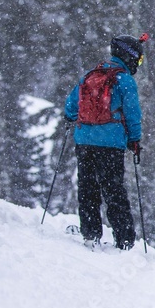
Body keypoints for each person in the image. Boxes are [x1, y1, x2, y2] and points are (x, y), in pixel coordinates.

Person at [64, 34, 147, 250]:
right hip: (110, 145)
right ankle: (124, 239)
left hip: (84, 142)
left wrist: (71, 119)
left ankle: (91, 234)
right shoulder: (125, 81)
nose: (137, 65)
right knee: (114, 191)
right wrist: (134, 140)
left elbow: (71, 106)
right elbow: (132, 115)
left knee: (87, 188)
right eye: (138, 60)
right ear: (129, 57)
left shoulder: (90, 75)